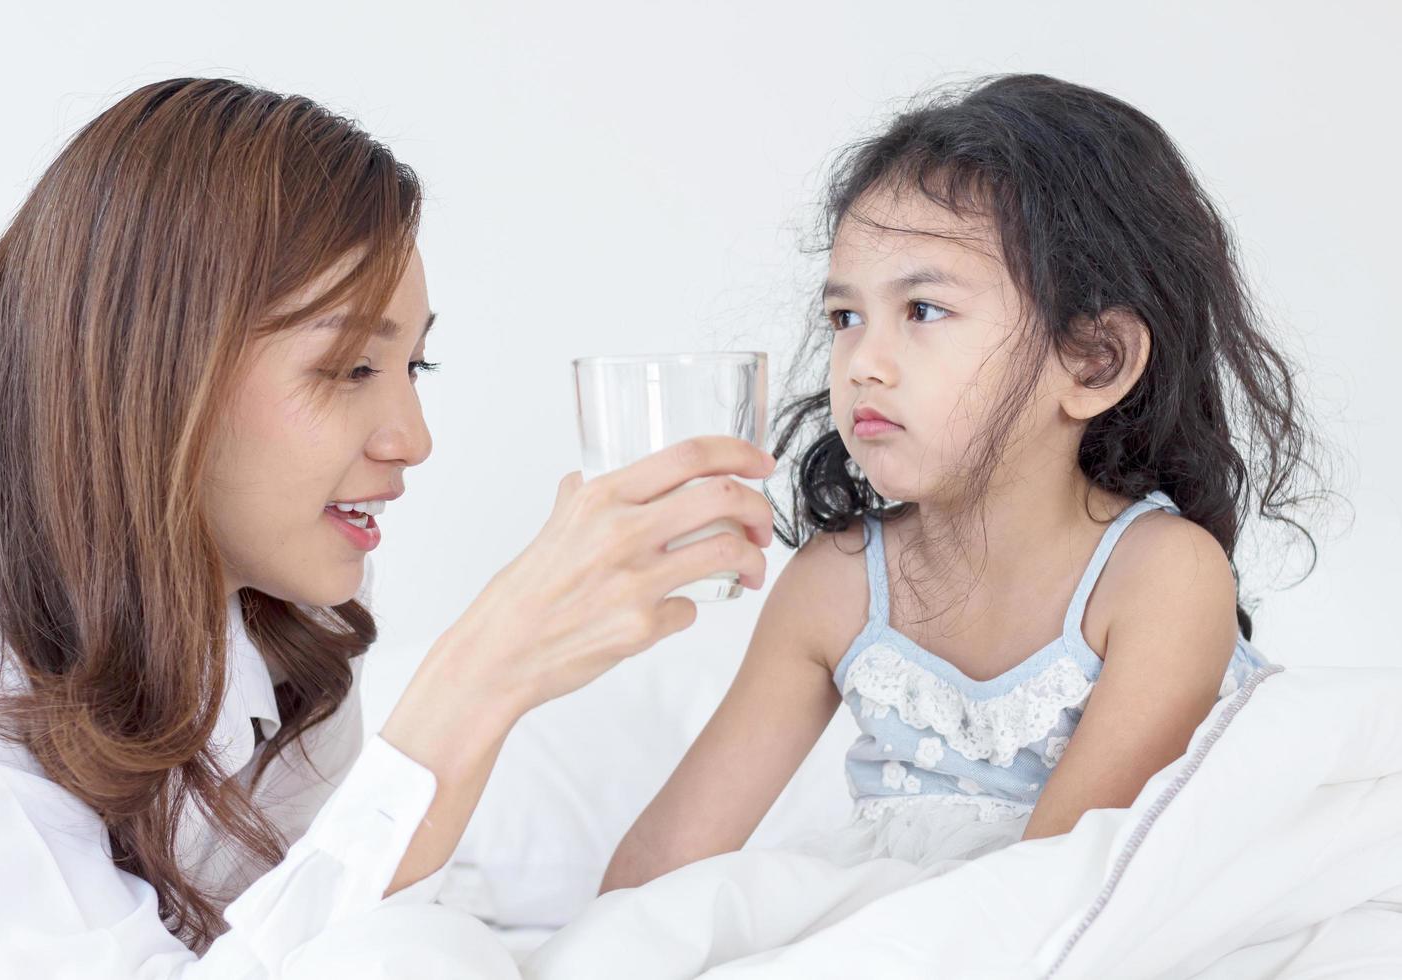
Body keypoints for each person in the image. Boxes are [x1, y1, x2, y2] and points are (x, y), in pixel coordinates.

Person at [0, 77, 775, 976]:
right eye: (347, 367)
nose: (411, 440)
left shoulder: (294, 612)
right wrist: (478, 678)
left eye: (416, 364)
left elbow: (314, 930)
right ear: (153, 369)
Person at [554, 73, 1322, 974]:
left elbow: (1056, 903)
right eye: (845, 316)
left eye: (923, 310)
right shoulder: (839, 586)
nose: (862, 363)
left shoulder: (1161, 576)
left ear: (1094, 360)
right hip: (923, 928)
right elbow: (660, 873)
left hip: (1080, 931)